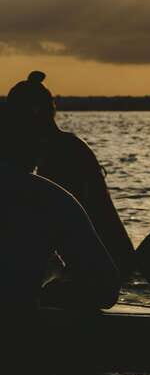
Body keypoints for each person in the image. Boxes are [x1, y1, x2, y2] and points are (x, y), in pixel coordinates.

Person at [7, 72, 135, 279]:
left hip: (106, 264)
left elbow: (68, 225)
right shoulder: (60, 147)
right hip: (105, 260)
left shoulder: (63, 152)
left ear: (33, 111)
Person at [0, 105, 120, 314]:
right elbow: (105, 288)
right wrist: (46, 290)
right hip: (18, 333)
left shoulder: (51, 196)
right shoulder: (50, 197)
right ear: (35, 147)